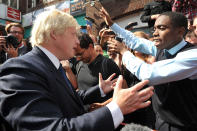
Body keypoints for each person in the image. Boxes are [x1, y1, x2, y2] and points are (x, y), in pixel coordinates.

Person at [0, 9, 154, 131]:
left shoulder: (53, 64)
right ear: (54, 34)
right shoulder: (20, 70)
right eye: (73, 34)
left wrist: (99, 89)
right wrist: (116, 108)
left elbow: (67, 98)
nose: (77, 41)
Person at [100, 8, 197, 131]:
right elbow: (135, 41)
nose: (155, 33)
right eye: (154, 28)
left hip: (183, 125)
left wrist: (124, 52)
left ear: (180, 31)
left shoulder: (192, 56)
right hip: (161, 121)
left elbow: (148, 74)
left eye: (162, 28)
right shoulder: (162, 48)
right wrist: (112, 24)